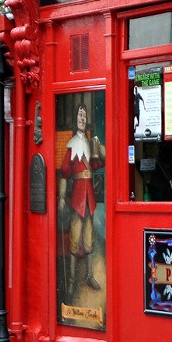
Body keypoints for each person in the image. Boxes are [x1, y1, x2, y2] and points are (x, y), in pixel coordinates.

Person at [58, 101, 104, 297]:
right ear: (75, 118)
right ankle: (70, 281)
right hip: (77, 197)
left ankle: (89, 275)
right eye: (79, 115)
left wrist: (101, 149)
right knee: (75, 239)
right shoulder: (71, 146)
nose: (82, 118)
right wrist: (61, 197)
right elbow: (64, 174)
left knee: (89, 238)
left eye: (84, 115)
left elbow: (96, 165)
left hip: (89, 197)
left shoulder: (90, 142)